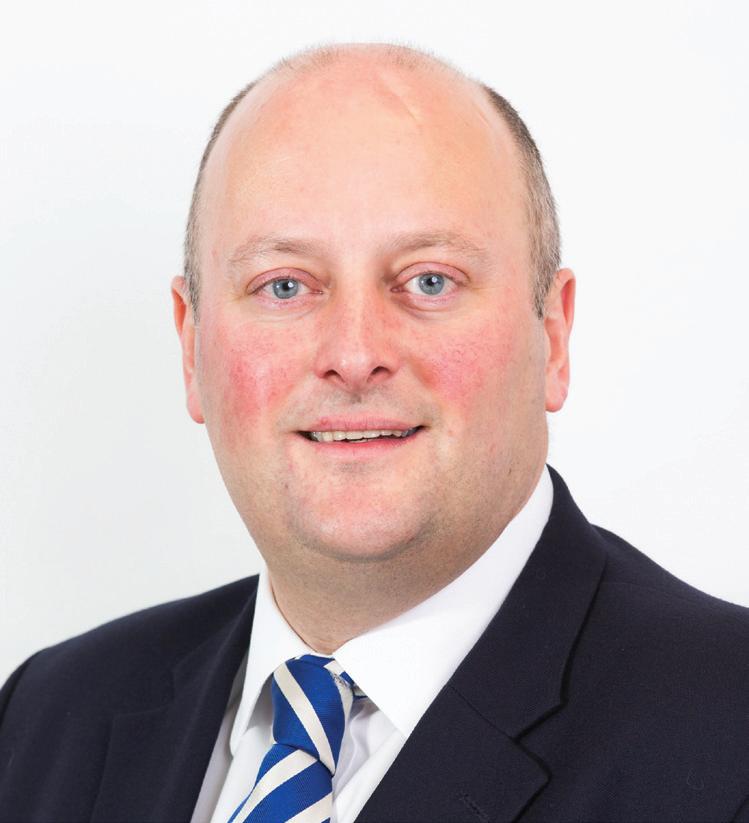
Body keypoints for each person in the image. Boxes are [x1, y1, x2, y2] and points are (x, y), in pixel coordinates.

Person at [1, 42, 748, 823]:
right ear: (191, 346)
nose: (355, 354)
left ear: (552, 336)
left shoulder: (728, 737)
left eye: (430, 280)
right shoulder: (47, 718)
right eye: (283, 286)